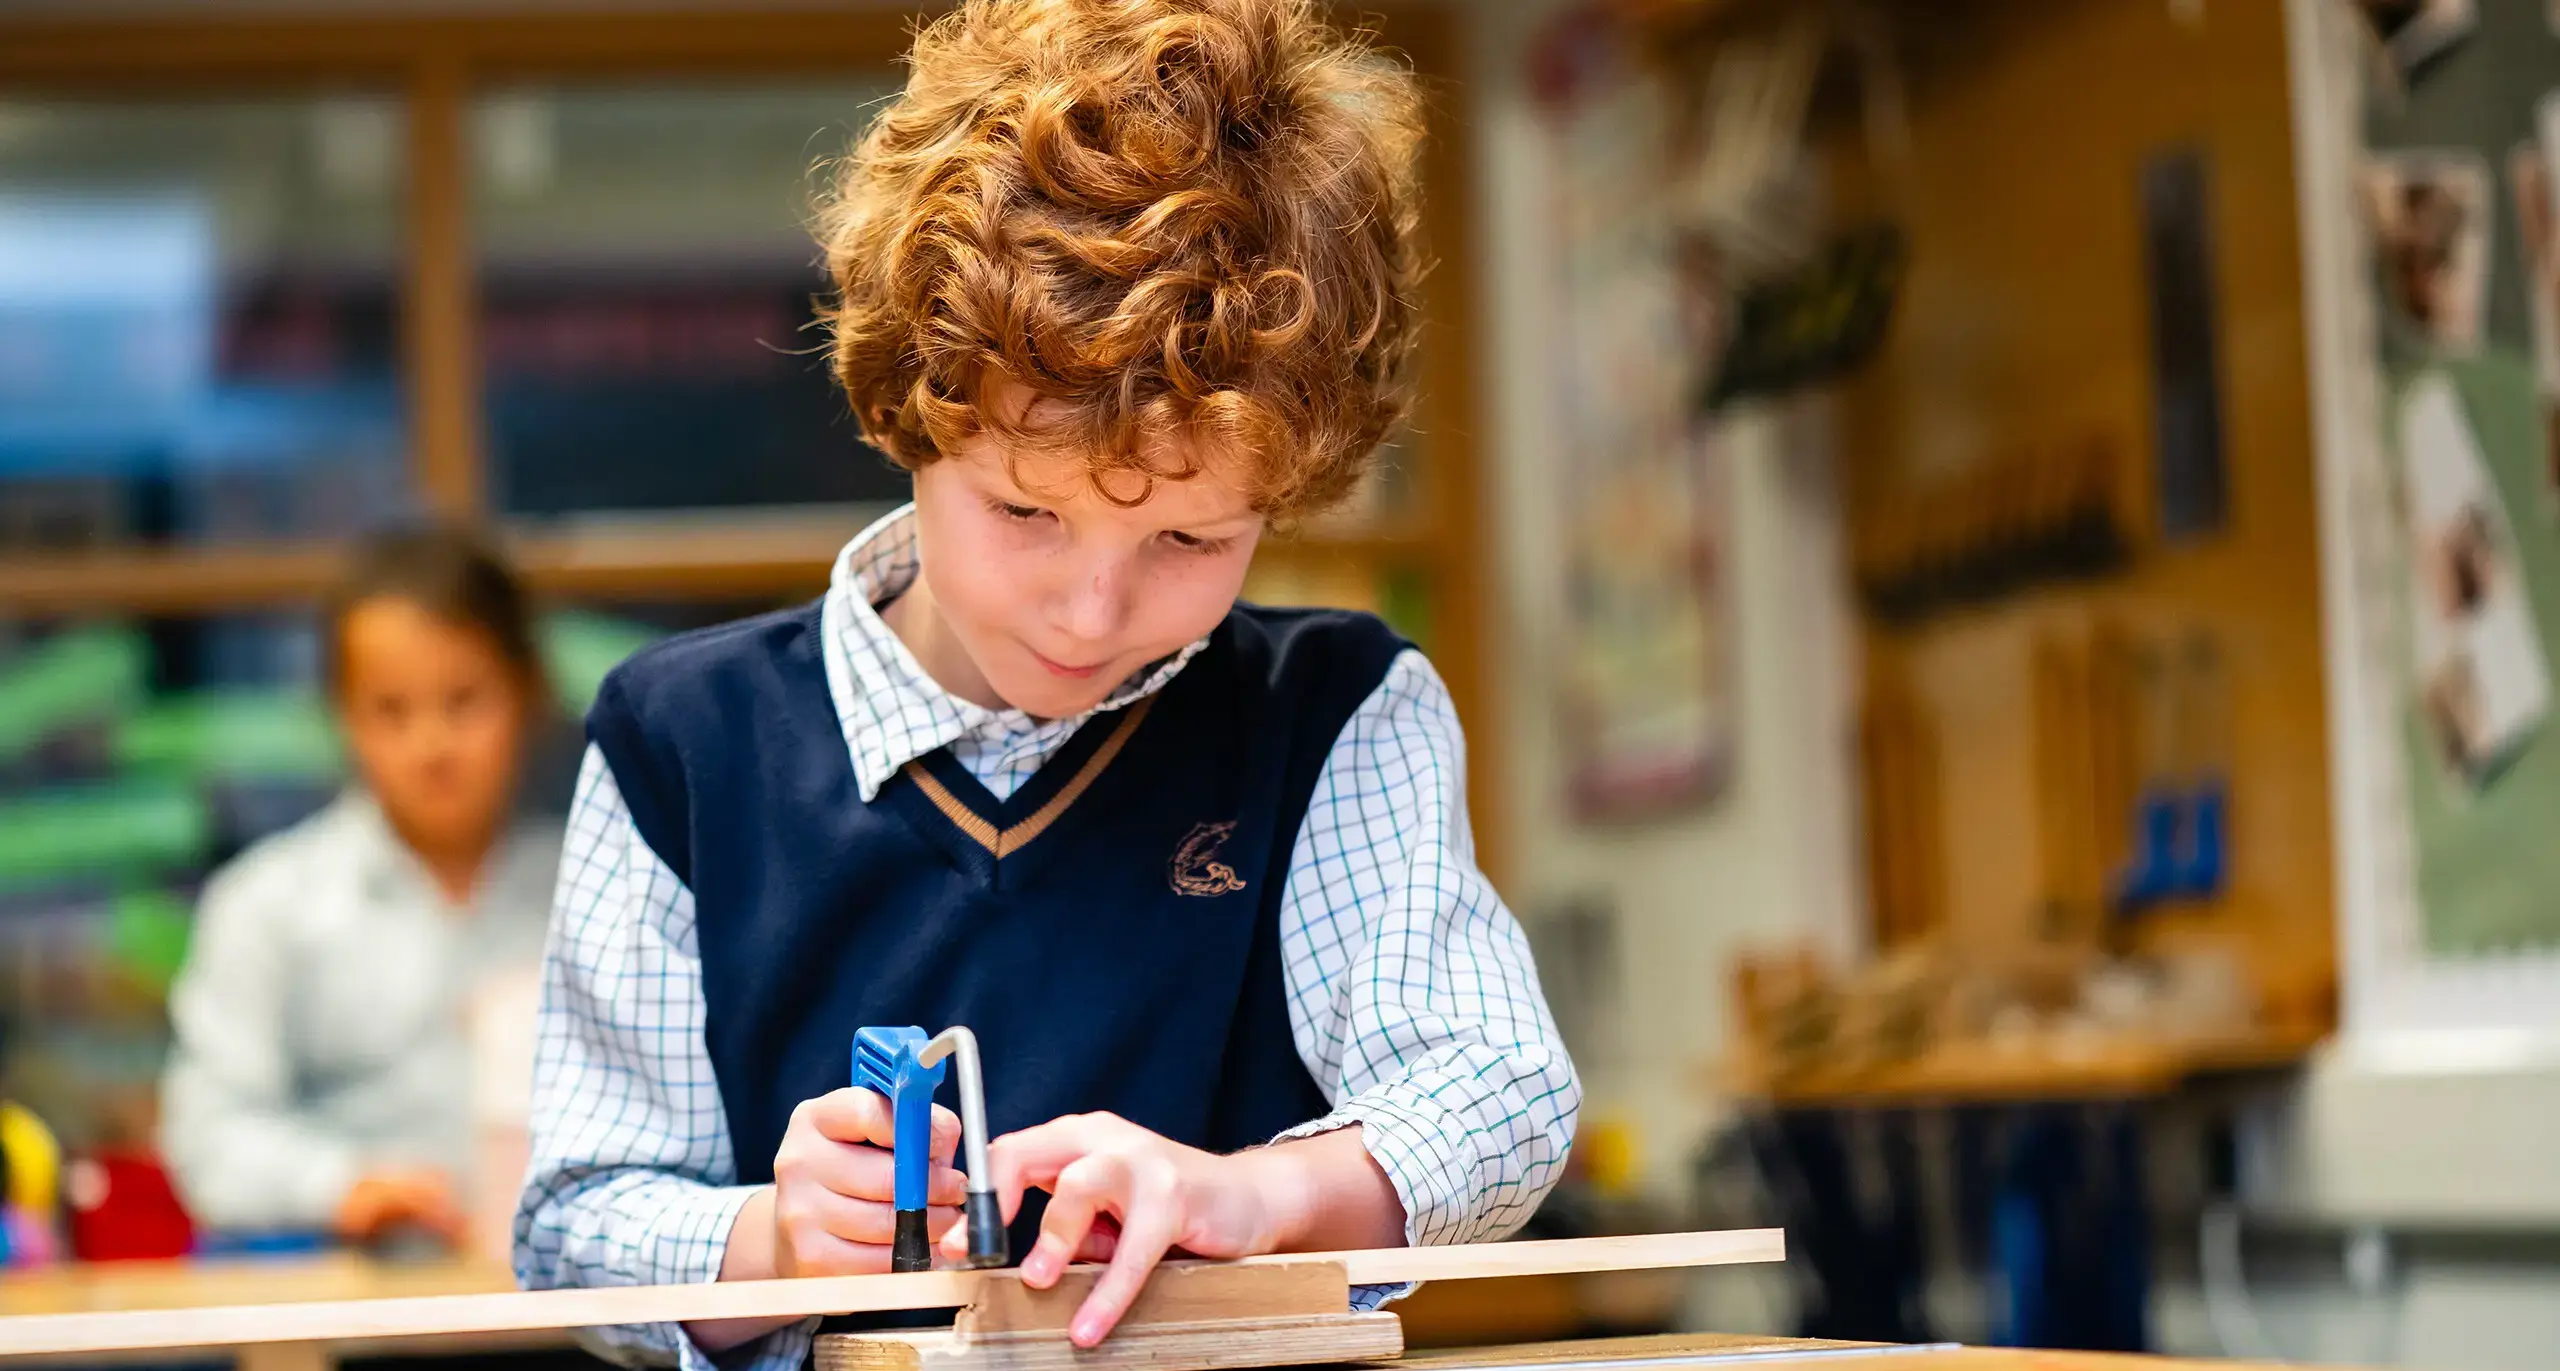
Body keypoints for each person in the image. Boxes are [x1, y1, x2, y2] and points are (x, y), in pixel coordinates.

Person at [513, 2, 1579, 1367]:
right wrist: (776, 1242)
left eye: (1189, 539)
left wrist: (1250, 1192)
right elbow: (573, 1225)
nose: (1094, 610)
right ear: (912, 407)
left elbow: (1495, 1090)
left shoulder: (1334, 715)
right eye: (1024, 512)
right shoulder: (682, 743)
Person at [161, 525, 562, 1251]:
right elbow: (208, 1135)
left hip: (570, 1314)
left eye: (464, 699)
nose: (432, 744)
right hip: (355, 1317)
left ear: (528, 690)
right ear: (341, 715)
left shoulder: (593, 889)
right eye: (391, 709)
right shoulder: (266, 904)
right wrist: (342, 1183)